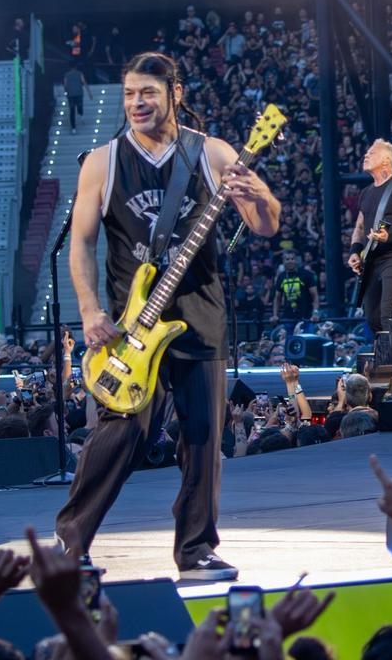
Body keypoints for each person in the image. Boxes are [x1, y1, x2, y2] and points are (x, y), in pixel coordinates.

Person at [56, 51, 281, 581]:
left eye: (148, 93)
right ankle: (70, 543)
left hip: (200, 316)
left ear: (175, 94)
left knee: (203, 437)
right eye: (130, 94)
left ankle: (196, 550)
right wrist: (89, 310)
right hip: (133, 324)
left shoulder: (212, 153)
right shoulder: (103, 162)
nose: (137, 103)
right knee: (123, 431)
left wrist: (261, 195)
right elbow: (81, 243)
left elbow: (265, 224)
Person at [348, 139, 392, 372]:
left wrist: (390, 236)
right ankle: (388, 361)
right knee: (372, 317)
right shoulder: (366, 192)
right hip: (371, 259)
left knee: (388, 313)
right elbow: (359, 227)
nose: (365, 155)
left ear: (386, 160)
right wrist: (355, 252)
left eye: (371, 153)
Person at [272, 250, 320, 333]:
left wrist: (315, 313)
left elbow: (315, 296)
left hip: (306, 316)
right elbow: (277, 298)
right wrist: (275, 315)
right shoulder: (281, 277)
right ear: (283, 261)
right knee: (288, 339)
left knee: (308, 339)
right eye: (287, 259)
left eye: (292, 259)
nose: (290, 261)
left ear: (296, 260)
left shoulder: (306, 274)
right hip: (288, 317)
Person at [63, 64, 90, 134]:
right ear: (76, 67)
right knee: (79, 105)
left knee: (72, 110)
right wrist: (89, 92)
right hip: (78, 93)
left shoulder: (67, 74)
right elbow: (84, 82)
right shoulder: (79, 73)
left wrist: (66, 92)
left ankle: (73, 128)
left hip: (70, 94)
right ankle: (81, 115)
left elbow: (65, 84)